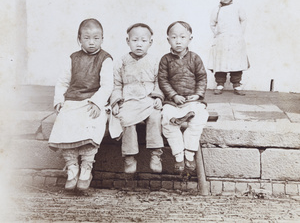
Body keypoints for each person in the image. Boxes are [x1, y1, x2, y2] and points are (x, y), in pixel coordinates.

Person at [48, 18, 113, 190]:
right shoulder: (73, 58)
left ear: (102, 39)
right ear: (79, 39)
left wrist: (97, 103)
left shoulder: (105, 59)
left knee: (92, 121)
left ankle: (86, 167)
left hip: (93, 100)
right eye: (87, 38)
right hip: (73, 99)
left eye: (96, 38)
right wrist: (59, 100)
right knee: (64, 120)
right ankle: (72, 166)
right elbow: (62, 82)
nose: (92, 42)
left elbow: (107, 85)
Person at [110, 23, 164, 174]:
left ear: (150, 42)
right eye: (135, 40)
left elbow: (159, 82)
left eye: (143, 40)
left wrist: (158, 97)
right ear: (128, 41)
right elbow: (117, 85)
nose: (139, 44)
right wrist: (115, 101)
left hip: (148, 99)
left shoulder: (155, 61)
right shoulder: (121, 62)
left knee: (155, 116)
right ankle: (129, 156)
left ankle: (155, 154)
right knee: (126, 119)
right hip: (129, 100)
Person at [158, 21, 208, 174]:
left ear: (190, 39)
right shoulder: (165, 60)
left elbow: (202, 78)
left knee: (199, 118)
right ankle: (178, 156)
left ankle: (189, 154)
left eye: (182, 37)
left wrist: (198, 94)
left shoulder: (195, 58)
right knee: (167, 120)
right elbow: (163, 80)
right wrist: (174, 95)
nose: (178, 41)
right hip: (173, 102)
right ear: (168, 40)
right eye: (174, 37)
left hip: (191, 101)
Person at [208, 0, 250, 95]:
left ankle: (237, 85)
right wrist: (218, 34)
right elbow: (212, 24)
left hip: (236, 40)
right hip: (221, 41)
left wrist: (240, 33)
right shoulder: (216, 10)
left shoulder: (238, 7)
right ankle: (219, 84)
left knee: (236, 63)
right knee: (220, 62)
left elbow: (243, 20)